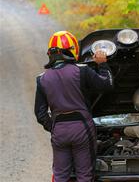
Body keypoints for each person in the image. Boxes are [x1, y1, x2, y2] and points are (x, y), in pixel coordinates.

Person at [34, 31, 113, 182]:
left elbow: (40, 113)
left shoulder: (42, 79)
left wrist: (54, 126)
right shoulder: (82, 70)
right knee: (84, 175)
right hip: (82, 128)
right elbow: (107, 85)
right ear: (73, 50)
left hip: (59, 130)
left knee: (60, 176)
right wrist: (103, 64)